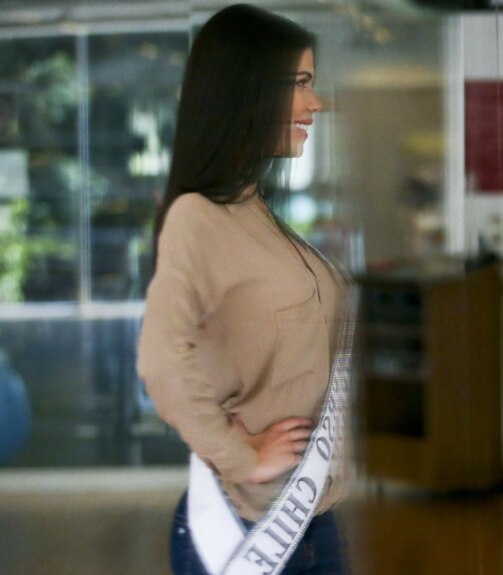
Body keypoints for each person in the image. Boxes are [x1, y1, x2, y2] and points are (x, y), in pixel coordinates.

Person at [136, 4, 351, 574]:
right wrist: (238, 454)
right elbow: (160, 357)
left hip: (314, 517)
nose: (315, 104)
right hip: (248, 527)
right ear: (249, 90)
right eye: (301, 84)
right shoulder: (198, 218)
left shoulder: (254, 213)